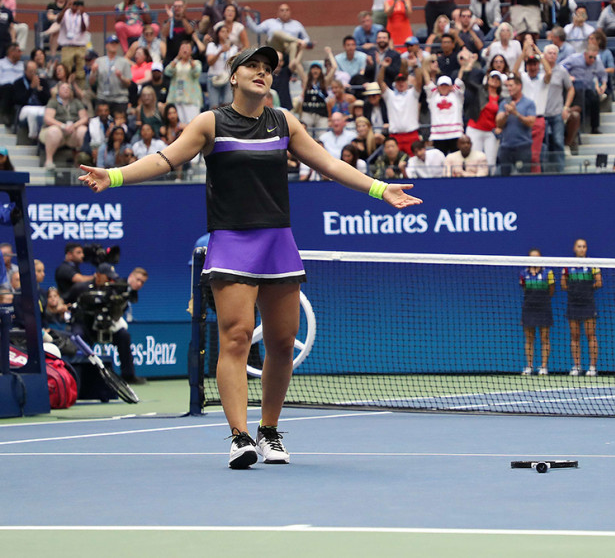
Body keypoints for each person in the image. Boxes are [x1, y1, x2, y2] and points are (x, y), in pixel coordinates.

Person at [77, 45, 421, 468]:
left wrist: (379, 188)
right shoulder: (211, 123)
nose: (262, 73)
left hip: (278, 243)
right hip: (232, 242)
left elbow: (329, 163)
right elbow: (165, 158)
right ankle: (240, 437)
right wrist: (113, 176)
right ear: (233, 76)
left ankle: (269, 431)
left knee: (280, 342)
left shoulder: (283, 122)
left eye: (267, 68)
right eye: (252, 67)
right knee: (236, 337)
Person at [562, 238, 600, 377]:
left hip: (588, 304)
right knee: (575, 336)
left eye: (584, 246)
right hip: (573, 304)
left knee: (591, 335)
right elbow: (563, 284)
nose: (582, 249)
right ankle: (577, 366)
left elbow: (599, 282)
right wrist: (574, 291)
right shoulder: (567, 266)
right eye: (579, 246)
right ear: (574, 248)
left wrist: (587, 290)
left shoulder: (592, 264)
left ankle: (592, 367)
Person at [494, 73, 536, 175]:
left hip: (522, 146)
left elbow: (531, 122)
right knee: (504, 177)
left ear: (519, 86)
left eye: (511, 85)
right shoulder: (504, 103)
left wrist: (516, 114)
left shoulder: (529, 103)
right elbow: (498, 123)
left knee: (523, 177)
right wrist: (507, 114)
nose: (509, 88)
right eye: (507, 86)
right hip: (506, 146)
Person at [520, 249, 553, 376]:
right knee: (529, 338)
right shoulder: (523, 273)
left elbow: (551, 290)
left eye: (536, 257)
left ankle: (544, 367)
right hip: (528, 308)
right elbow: (524, 289)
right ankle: (529, 366)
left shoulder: (547, 273)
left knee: (545, 337)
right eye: (532, 257)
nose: (534, 259)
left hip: (544, 308)